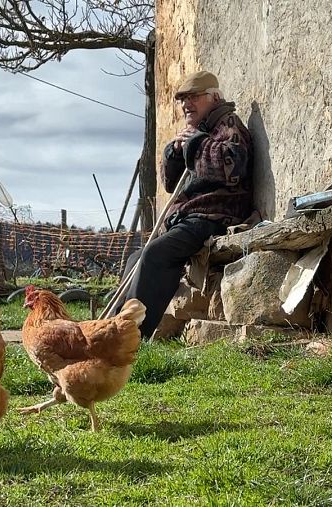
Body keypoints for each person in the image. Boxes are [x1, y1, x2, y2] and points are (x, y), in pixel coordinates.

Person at [115, 70, 254, 337]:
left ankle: (131, 337)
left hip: (216, 215)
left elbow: (232, 167)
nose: (185, 105)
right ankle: (111, 329)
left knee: (156, 255)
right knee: (136, 258)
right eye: (182, 99)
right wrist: (175, 152)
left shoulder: (229, 125)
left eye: (193, 97)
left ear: (214, 97)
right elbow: (171, 184)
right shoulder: (200, 131)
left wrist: (196, 144)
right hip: (191, 218)